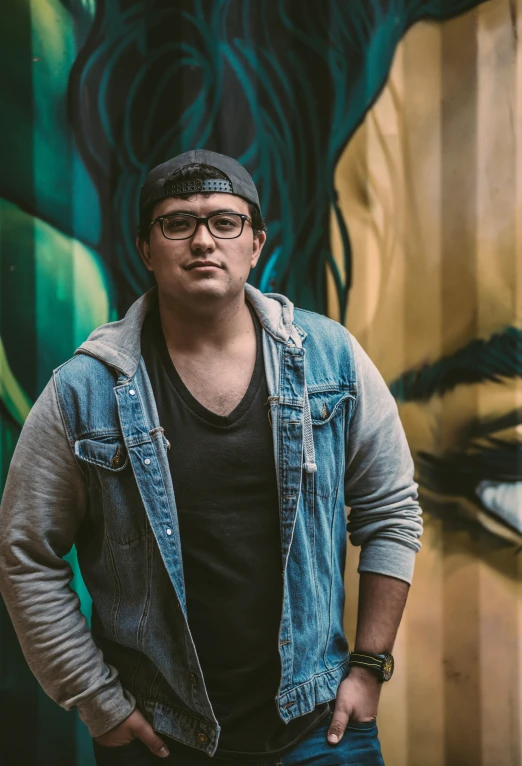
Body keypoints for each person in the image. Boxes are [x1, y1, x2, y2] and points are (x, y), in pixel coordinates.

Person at [0, 150, 423, 766]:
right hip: (161, 738)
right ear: (147, 248)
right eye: (178, 223)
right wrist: (98, 700)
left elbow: (391, 510)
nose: (204, 240)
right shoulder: (82, 392)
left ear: (255, 244)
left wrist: (370, 665)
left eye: (225, 222)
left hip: (318, 727)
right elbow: (25, 553)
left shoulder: (333, 361)